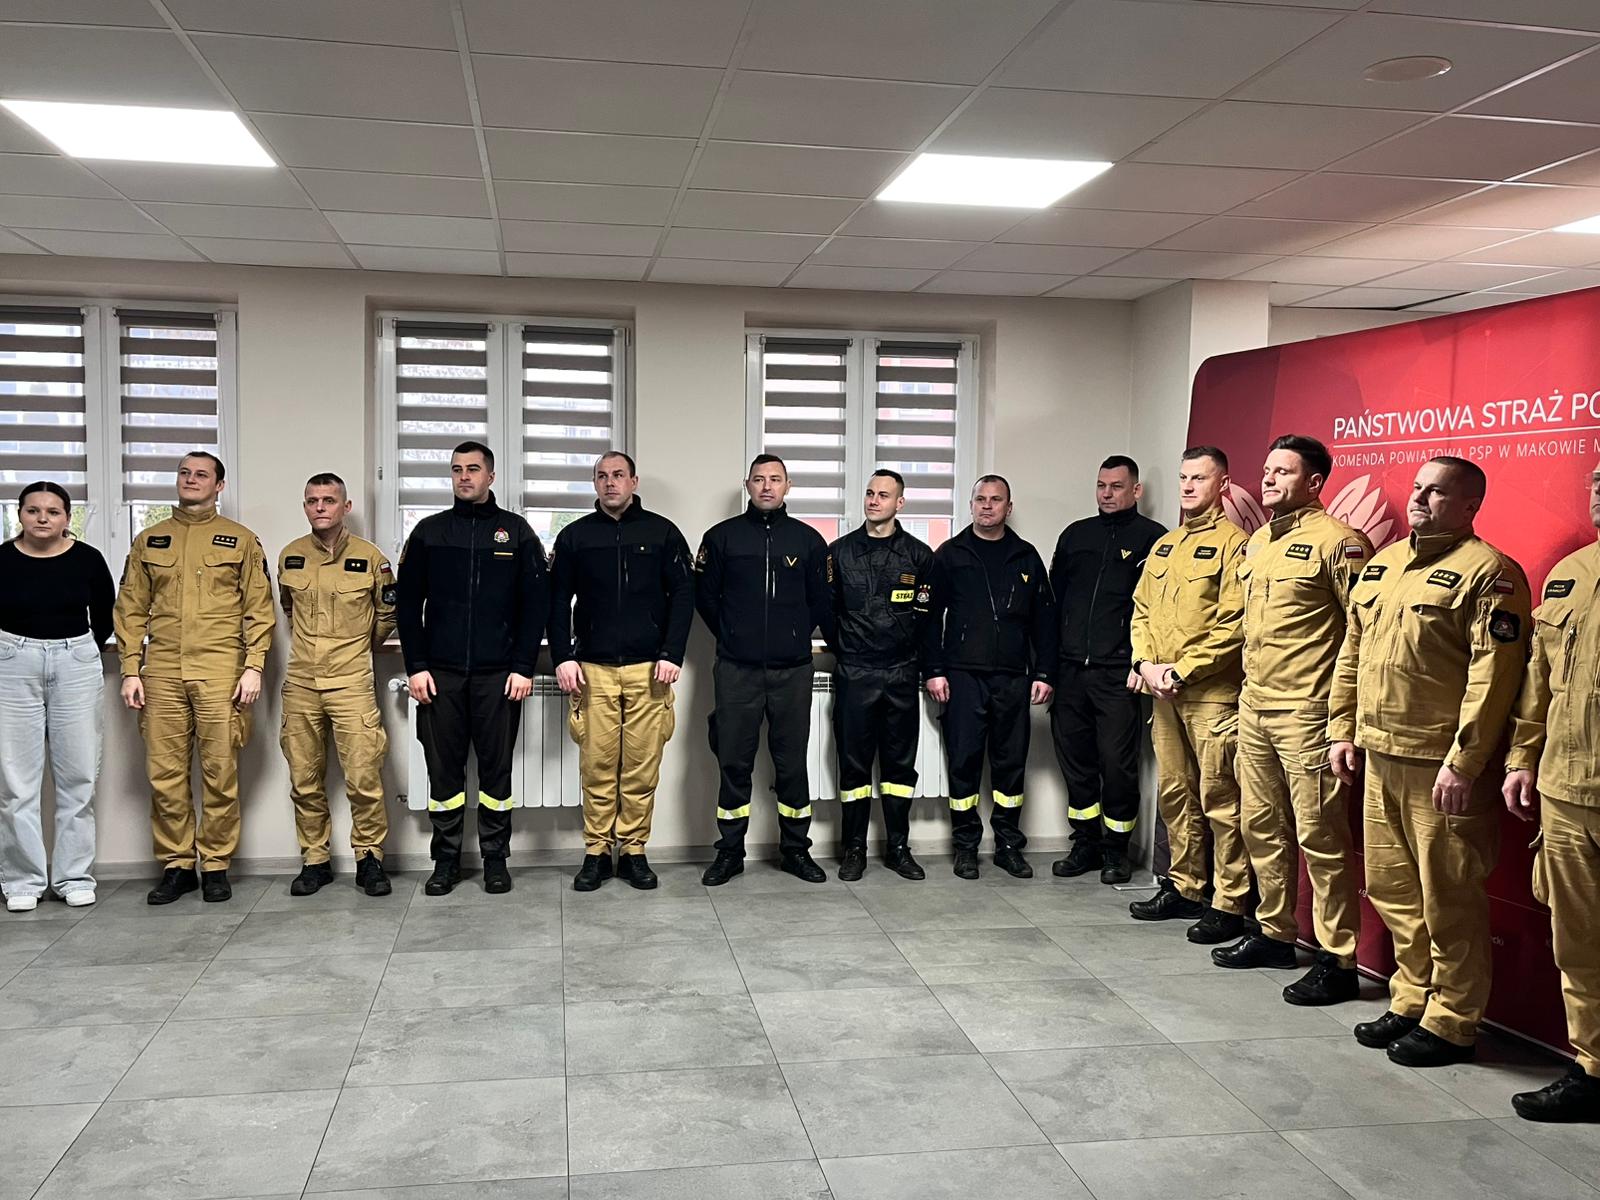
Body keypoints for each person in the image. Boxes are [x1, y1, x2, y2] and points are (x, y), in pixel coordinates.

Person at [1330, 456, 1531, 1067]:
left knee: (1450, 897)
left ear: (1470, 506)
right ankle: (1411, 998)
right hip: (1379, 752)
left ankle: (1452, 1020)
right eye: (1417, 487)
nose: (1419, 498)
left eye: (1437, 491)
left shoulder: (1490, 573)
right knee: (1392, 889)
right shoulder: (1385, 564)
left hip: (1438, 764)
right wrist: (1343, 728)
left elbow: (1494, 678)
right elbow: (1352, 652)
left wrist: (1465, 762)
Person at [1212, 435, 1373, 1009]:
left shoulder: (1341, 544)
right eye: (1267, 469)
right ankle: (1275, 934)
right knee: (1261, 826)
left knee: (1321, 838)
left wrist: (1343, 719)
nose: (1269, 479)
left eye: (1283, 471)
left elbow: (1361, 634)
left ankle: (1337, 960)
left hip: (1308, 711)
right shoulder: (1258, 542)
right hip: (1255, 705)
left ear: (1314, 482)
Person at [115, 452, 274, 905]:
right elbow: (130, 609)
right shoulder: (150, 540)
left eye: (201, 474)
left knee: (220, 773)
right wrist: (130, 669)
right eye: (184, 473)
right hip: (162, 671)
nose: (190, 480)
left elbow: (259, 609)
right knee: (164, 774)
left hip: (220, 671)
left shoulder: (241, 540)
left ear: (219, 485)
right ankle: (178, 865)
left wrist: (254, 666)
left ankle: (217, 865)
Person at [397, 441, 548, 897]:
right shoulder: (429, 533)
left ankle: (495, 860)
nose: (464, 476)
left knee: (496, 774)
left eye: (473, 469)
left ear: (491, 476)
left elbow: (535, 607)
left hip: (499, 676)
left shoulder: (516, 533)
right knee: (444, 774)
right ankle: (445, 862)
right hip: (439, 676)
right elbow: (408, 606)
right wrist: (416, 666)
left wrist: (523, 667)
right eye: (457, 469)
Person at [1504, 459, 1600, 1122]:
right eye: (1597, 480)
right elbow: (1537, 684)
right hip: (1566, 790)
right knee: (1579, 941)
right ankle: (1592, 1068)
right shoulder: (1569, 575)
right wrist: (1521, 759)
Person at [550, 451, 694, 892]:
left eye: (618, 475)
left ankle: (633, 851)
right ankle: (596, 851)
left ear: (634, 481)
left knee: (640, 769)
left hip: (650, 670)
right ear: (594, 483)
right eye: (602, 476)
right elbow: (555, 600)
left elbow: (684, 595)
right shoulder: (575, 537)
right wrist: (562, 656)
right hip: (592, 669)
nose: (610, 482)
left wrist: (672, 653)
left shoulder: (662, 532)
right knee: (596, 766)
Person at [1126, 448, 1251, 941]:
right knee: (1175, 793)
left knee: (1220, 798)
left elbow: (1234, 623)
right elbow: (1140, 611)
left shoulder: (1236, 545)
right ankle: (1185, 886)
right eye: (1183, 477)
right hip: (1163, 693)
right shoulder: (1166, 545)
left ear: (1223, 484)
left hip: (1210, 694)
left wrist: (1180, 670)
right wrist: (1144, 664)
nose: (1187, 486)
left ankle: (1229, 902)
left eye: (1199, 478)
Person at [696, 454, 834, 886]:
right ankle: (729, 853)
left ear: (788, 486)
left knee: (791, 764)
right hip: (736, 670)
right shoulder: (721, 538)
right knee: (733, 763)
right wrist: (735, 635)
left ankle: (796, 851)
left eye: (775, 479)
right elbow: (706, 598)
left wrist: (793, 636)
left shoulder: (809, 541)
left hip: (793, 670)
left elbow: (822, 601)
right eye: (759, 479)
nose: (767, 486)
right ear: (747, 485)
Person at [918, 475, 1057, 880]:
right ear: (971, 504)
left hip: (1013, 677)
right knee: (963, 762)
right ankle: (965, 847)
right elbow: (928, 620)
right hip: (962, 677)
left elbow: (1045, 621)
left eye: (996, 500)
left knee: (1010, 765)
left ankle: (1008, 846)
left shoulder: (1025, 557)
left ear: (1008, 508)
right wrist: (934, 670)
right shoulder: (950, 554)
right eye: (980, 499)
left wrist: (1044, 672)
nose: (987, 506)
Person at [277, 473, 396, 899]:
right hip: (302, 683)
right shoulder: (290, 556)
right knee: (304, 778)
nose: (320, 507)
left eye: (329, 500)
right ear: (305, 506)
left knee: (363, 777)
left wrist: (359, 650)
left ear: (345, 507)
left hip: (351, 683)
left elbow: (386, 615)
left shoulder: (371, 558)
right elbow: (289, 610)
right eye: (313, 500)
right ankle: (315, 861)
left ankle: (370, 859)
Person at [1049, 454, 1165, 885]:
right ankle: (1085, 843)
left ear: (1136, 490)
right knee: (1076, 764)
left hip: (1119, 674)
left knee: (1118, 765)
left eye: (1116, 486)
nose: (1107, 493)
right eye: (1101, 485)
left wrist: (1142, 661)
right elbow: (1054, 603)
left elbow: (1158, 612)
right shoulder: (1075, 535)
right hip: (1070, 672)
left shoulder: (1154, 539)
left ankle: (1117, 849)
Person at [0, 482, 113, 911]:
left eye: (52, 511)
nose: (42, 518)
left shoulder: (88, 559)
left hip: (75, 662)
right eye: (33, 510)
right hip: (12, 662)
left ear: (67, 517)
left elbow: (105, 616)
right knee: (16, 783)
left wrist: (78, 652)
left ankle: (73, 877)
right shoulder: (2, 558)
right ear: (19, 514)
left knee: (78, 777)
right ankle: (23, 882)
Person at [827, 469, 934, 882]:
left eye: (883, 495)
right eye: (870, 493)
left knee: (899, 767)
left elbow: (926, 617)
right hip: (855, 671)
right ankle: (853, 849)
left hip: (902, 672)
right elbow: (827, 612)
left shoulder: (919, 556)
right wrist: (847, 648)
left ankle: (898, 848)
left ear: (899, 503)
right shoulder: (839, 553)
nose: (874, 500)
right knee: (853, 767)